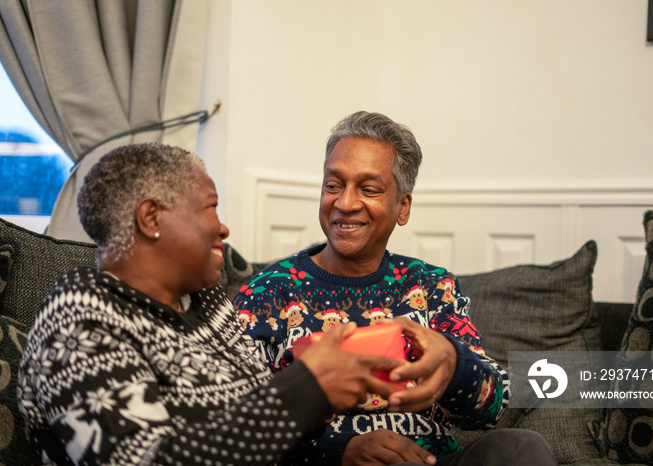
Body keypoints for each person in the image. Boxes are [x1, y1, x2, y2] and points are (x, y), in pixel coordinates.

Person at [16, 142, 410, 466]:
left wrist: (324, 402)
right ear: (151, 217)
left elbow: (256, 432)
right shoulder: (79, 320)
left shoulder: (206, 301)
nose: (222, 227)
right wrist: (306, 388)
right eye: (209, 207)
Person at [235, 111, 558, 465]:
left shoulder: (431, 286)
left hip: (432, 460)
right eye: (333, 185)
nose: (344, 203)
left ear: (402, 207)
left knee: (521, 448)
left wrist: (452, 365)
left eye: (369, 189)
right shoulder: (267, 294)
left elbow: (490, 408)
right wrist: (336, 452)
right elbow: (237, 429)